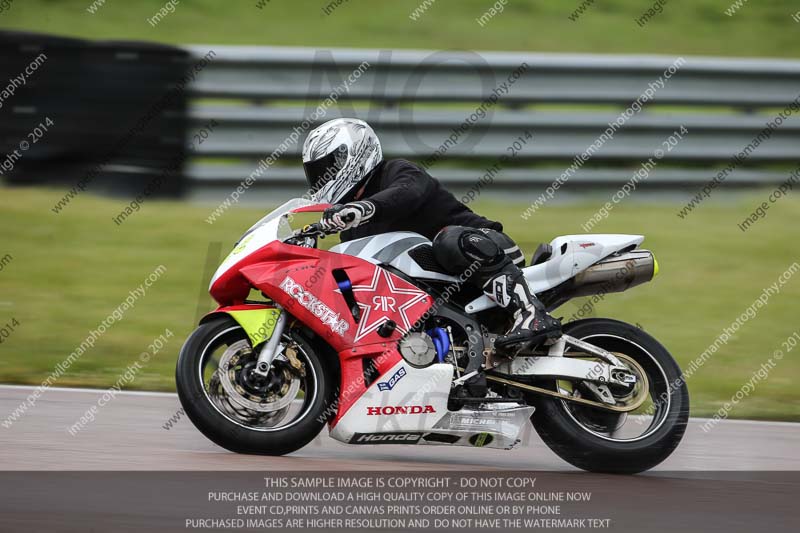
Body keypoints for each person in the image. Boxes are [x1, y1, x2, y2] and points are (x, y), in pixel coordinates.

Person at [301, 117, 561, 353]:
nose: (322, 178)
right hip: (445, 290)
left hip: (488, 250)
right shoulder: (353, 228)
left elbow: (407, 193)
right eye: (315, 173)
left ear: (354, 155)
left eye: (327, 167)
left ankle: (532, 313)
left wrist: (364, 207)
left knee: (447, 239)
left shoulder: (397, 172)